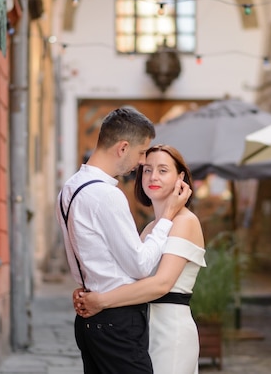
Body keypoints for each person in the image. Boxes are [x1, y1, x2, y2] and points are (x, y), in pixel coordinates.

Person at [56, 107, 192, 374]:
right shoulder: (107, 195)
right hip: (117, 323)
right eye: (142, 152)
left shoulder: (70, 188)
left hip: (90, 319)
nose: (142, 162)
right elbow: (140, 266)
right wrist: (166, 218)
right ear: (123, 147)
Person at [75, 144, 206, 374]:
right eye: (147, 170)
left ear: (180, 177)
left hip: (170, 330)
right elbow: (128, 278)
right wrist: (89, 291)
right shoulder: (149, 230)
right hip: (142, 327)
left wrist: (102, 300)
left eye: (163, 170)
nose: (153, 176)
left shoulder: (186, 222)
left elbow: (161, 283)